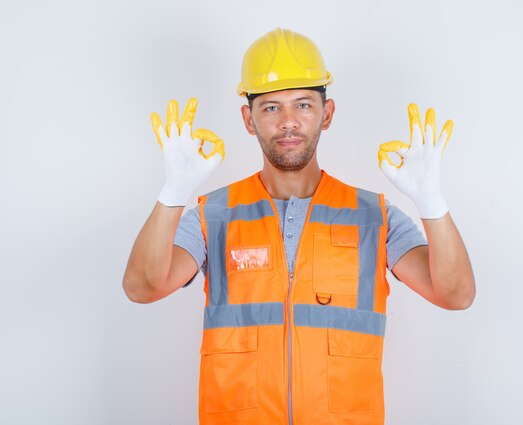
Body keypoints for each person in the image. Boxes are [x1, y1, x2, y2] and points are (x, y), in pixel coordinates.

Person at [123, 28, 475, 425]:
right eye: (271, 107)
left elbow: (455, 294)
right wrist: (174, 192)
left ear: (326, 114)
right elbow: (142, 287)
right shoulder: (214, 215)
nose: (288, 122)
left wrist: (431, 203)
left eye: (303, 104)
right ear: (248, 119)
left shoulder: (374, 216)